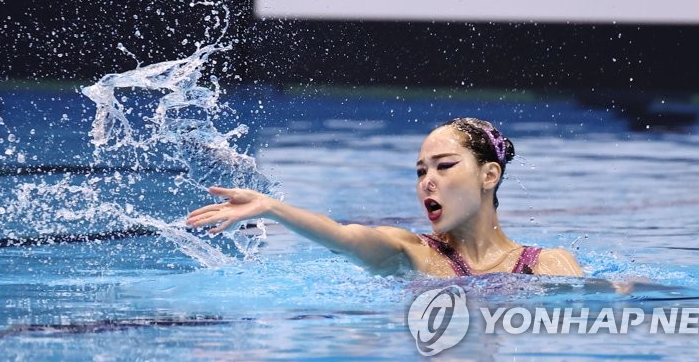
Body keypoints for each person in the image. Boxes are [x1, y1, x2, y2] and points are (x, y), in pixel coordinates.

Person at [186, 117, 583, 277]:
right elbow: (346, 237)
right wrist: (273, 208)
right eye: (421, 171)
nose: (428, 180)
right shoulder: (412, 252)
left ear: (489, 174)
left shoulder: (549, 263)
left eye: (444, 166)